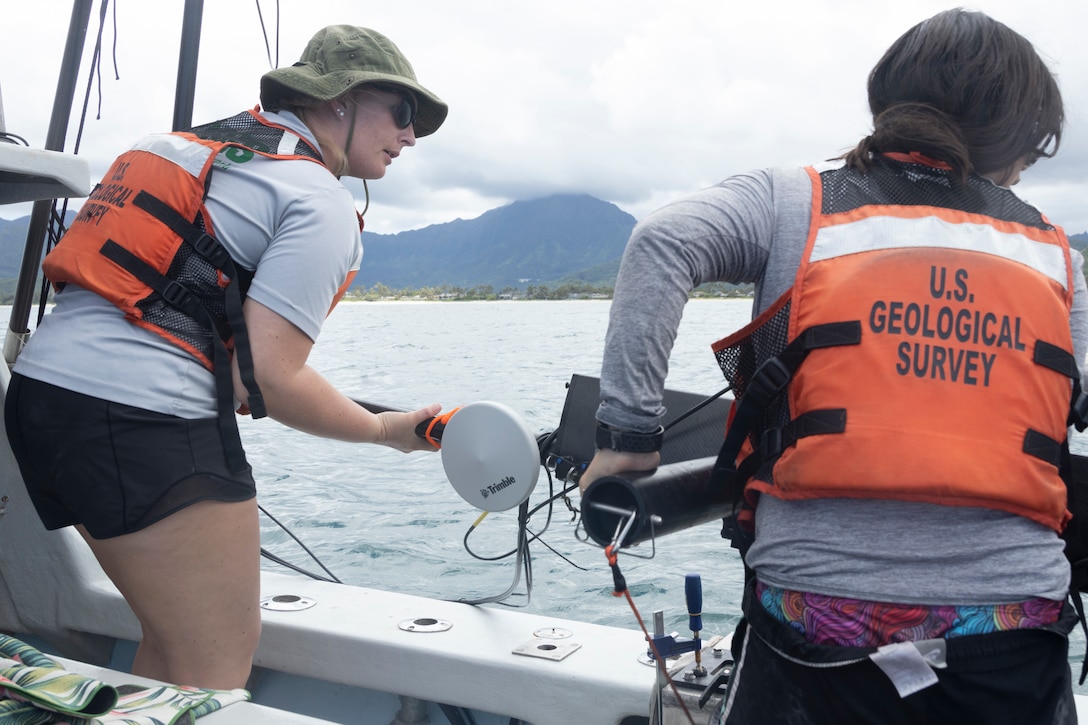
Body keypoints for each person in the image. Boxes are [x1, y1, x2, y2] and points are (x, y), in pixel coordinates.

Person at [580, 9, 1085, 724]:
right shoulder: (1059, 257)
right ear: (1010, 136)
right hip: (1006, 635)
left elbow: (663, 242)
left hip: (814, 626)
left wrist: (626, 444)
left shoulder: (795, 201)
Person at [4, 24, 448, 691]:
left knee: (170, 646)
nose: (412, 137)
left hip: (40, 401)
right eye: (404, 113)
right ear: (340, 100)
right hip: (139, 420)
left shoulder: (183, 145)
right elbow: (271, 377)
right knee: (211, 667)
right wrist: (387, 430)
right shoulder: (318, 199)